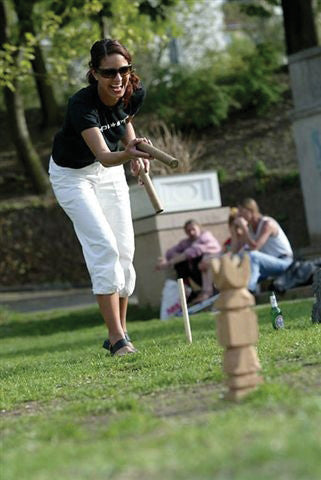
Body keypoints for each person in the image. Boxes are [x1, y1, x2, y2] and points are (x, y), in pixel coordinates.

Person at [49, 39, 153, 356]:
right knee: (104, 247)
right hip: (73, 176)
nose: (118, 79)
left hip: (108, 172)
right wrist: (127, 153)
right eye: (109, 73)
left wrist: (134, 151)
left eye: (123, 70)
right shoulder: (82, 104)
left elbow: (125, 124)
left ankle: (119, 335)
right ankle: (117, 338)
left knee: (124, 252)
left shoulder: (134, 92)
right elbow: (106, 155)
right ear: (94, 73)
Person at [235, 198, 293, 293]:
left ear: (250, 210)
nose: (239, 215)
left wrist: (243, 229)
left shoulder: (267, 224)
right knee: (240, 257)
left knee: (253, 256)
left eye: (241, 211)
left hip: (284, 263)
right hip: (268, 266)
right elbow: (237, 251)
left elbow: (255, 247)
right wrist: (234, 232)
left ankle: (250, 290)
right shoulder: (250, 229)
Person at [155, 219, 221, 303]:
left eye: (193, 229)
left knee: (203, 262)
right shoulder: (187, 242)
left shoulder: (206, 236)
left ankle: (207, 292)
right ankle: (187, 292)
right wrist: (166, 258)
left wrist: (168, 263)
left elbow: (193, 251)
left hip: (215, 266)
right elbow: (171, 251)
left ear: (199, 228)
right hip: (200, 270)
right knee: (180, 264)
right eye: (188, 231)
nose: (191, 232)